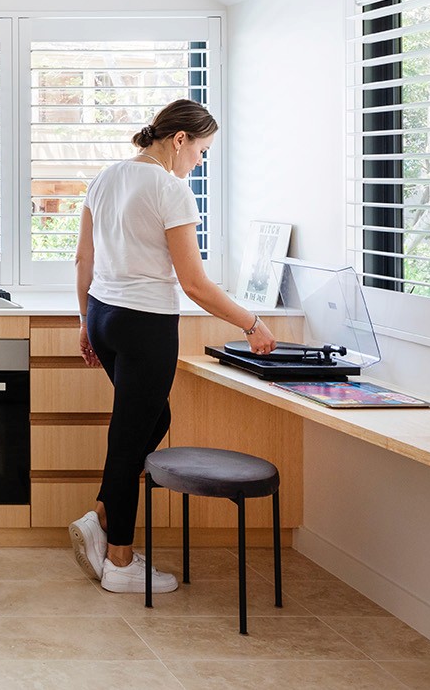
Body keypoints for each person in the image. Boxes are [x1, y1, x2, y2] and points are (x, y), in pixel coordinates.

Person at [67, 99, 277, 594]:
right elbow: (196, 284)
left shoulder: (106, 176)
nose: (200, 162)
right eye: (201, 150)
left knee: (150, 420)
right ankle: (119, 561)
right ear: (179, 139)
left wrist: (84, 322)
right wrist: (252, 323)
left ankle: (100, 515)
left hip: (103, 315)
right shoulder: (171, 189)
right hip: (145, 325)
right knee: (129, 435)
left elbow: (82, 258)